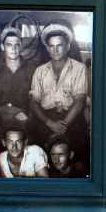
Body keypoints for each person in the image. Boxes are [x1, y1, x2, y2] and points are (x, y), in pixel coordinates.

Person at [29, 20, 88, 154]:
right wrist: (50, 123)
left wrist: (61, 127)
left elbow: (79, 102)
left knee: (76, 151)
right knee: (37, 150)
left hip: (70, 119)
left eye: (59, 45)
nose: (55, 50)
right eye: (51, 46)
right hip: (45, 119)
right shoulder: (40, 71)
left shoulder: (79, 68)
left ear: (67, 46)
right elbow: (33, 103)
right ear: (47, 48)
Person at [0, 26, 38, 147]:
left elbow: (38, 99)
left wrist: (29, 114)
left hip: (22, 113)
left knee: (26, 138)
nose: (14, 49)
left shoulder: (33, 70)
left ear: (21, 46)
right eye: (9, 45)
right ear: (2, 47)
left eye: (17, 45)